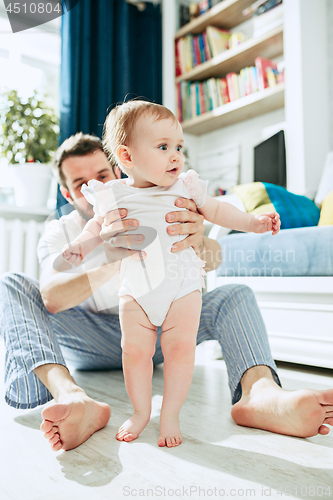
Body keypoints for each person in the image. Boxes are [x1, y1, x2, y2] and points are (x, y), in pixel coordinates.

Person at [1, 132, 333, 454]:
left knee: (234, 294)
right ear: (67, 193)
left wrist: (196, 237)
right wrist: (115, 259)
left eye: (101, 174)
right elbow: (51, 298)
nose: (93, 184)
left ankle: (260, 394)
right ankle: (70, 397)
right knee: (12, 283)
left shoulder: (161, 195)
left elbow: (216, 259)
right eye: (80, 184)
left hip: (166, 327)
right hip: (91, 337)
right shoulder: (62, 231)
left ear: (117, 170)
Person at [62, 101, 280, 447]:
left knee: (180, 350)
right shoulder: (112, 194)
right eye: (163, 147)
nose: (176, 155)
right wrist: (81, 246)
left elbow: (220, 210)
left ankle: (171, 414)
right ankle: (140, 412)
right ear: (127, 156)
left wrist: (253, 223)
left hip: (183, 285)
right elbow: (94, 227)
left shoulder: (187, 186)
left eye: (178, 147)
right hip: (136, 290)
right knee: (134, 352)